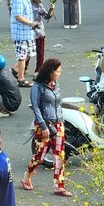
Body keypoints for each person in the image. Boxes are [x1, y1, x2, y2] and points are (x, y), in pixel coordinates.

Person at [22, 58, 72, 197]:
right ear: (51, 72)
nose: (59, 73)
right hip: (44, 125)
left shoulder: (56, 85)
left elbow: (58, 104)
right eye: (57, 71)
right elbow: (35, 107)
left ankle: (59, 186)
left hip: (58, 124)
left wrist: (61, 120)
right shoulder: (37, 87)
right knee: (40, 155)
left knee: (60, 156)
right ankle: (27, 176)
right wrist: (43, 125)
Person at [9, 0, 37, 88]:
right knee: (22, 56)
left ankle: (15, 70)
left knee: (29, 53)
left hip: (27, 31)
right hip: (20, 31)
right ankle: (20, 79)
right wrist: (30, 23)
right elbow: (18, 16)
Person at [27, 0, 53, 76]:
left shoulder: (38, 6)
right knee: (31, 52)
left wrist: (51, 10)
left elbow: (46, 16)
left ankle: (37, 69)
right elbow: (47, 17)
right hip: (31, 32)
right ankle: (30, 68)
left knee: (36, 52)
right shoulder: (27, 5)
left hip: (38, 32)